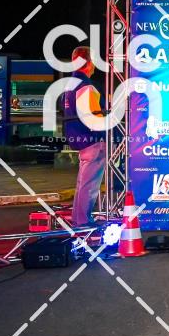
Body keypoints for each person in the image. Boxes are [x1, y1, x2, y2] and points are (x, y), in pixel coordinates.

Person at [64, 47, 107, 229]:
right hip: (92, 140)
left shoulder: (70, 84)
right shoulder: (85, 86)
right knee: (89, 185)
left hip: (79, 139)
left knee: (83, 183)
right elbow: (93, 118)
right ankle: (83, 222)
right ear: (89, 63)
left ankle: (78, 220)